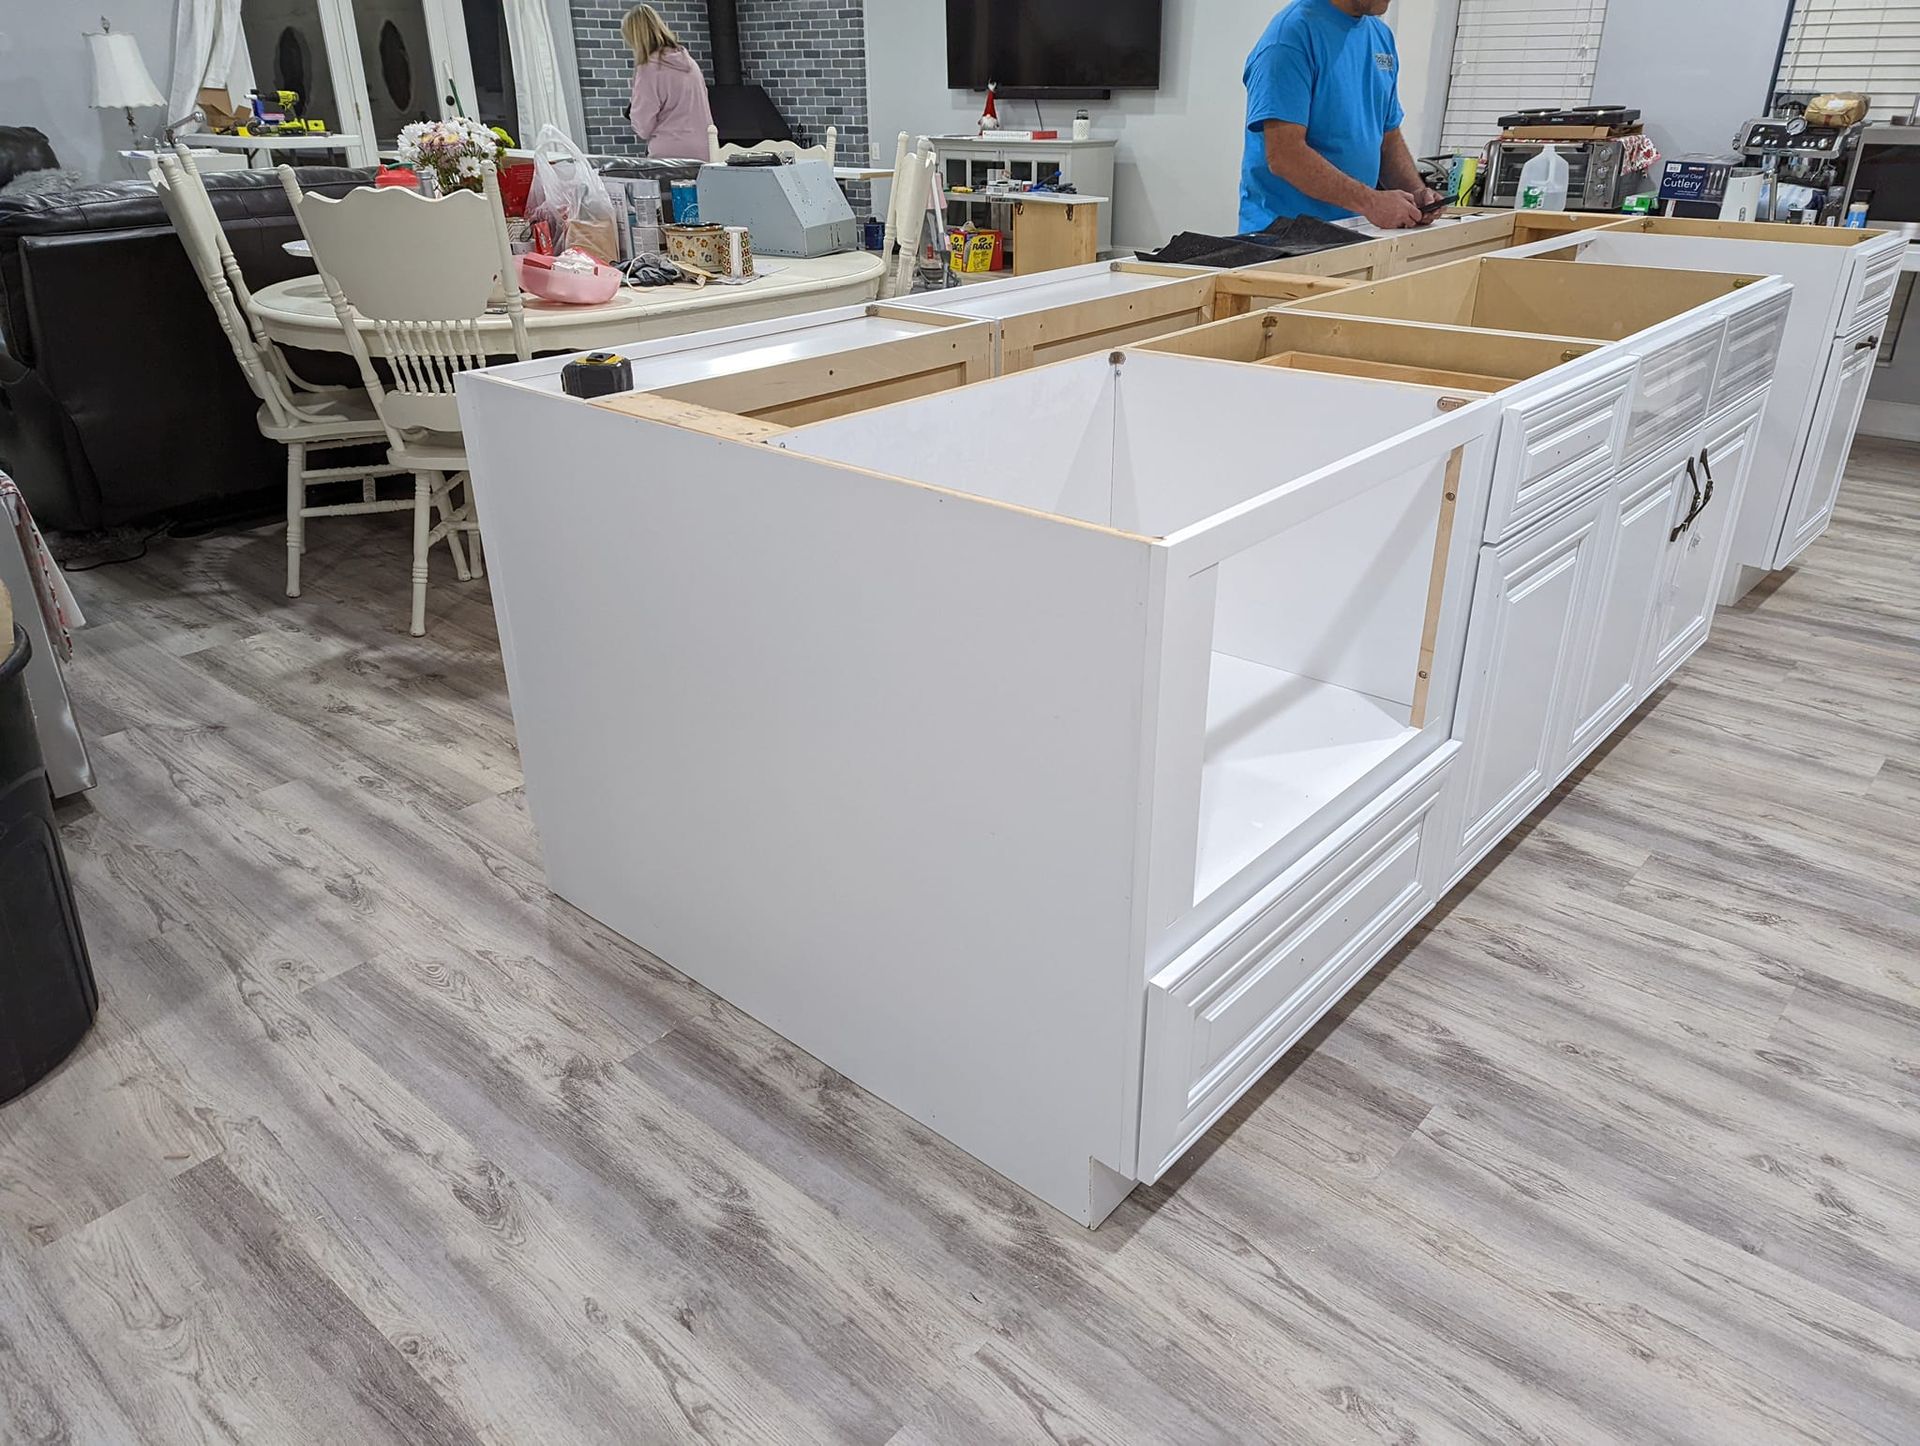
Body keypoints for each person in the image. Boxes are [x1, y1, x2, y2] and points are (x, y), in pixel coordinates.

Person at [1239, 0, 1442, 233]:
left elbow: (1388, 138)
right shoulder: (1289, 37)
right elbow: (1285, 155)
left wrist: (1416, 194)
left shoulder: (1380, 36)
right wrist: (1371, 202)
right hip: (1284, 239)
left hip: (1355, 231)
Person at [622, 4, 714, 160]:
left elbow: (643, 127)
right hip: (705, 149)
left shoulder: (649, 69)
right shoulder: (689, 62)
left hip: (669, 156)